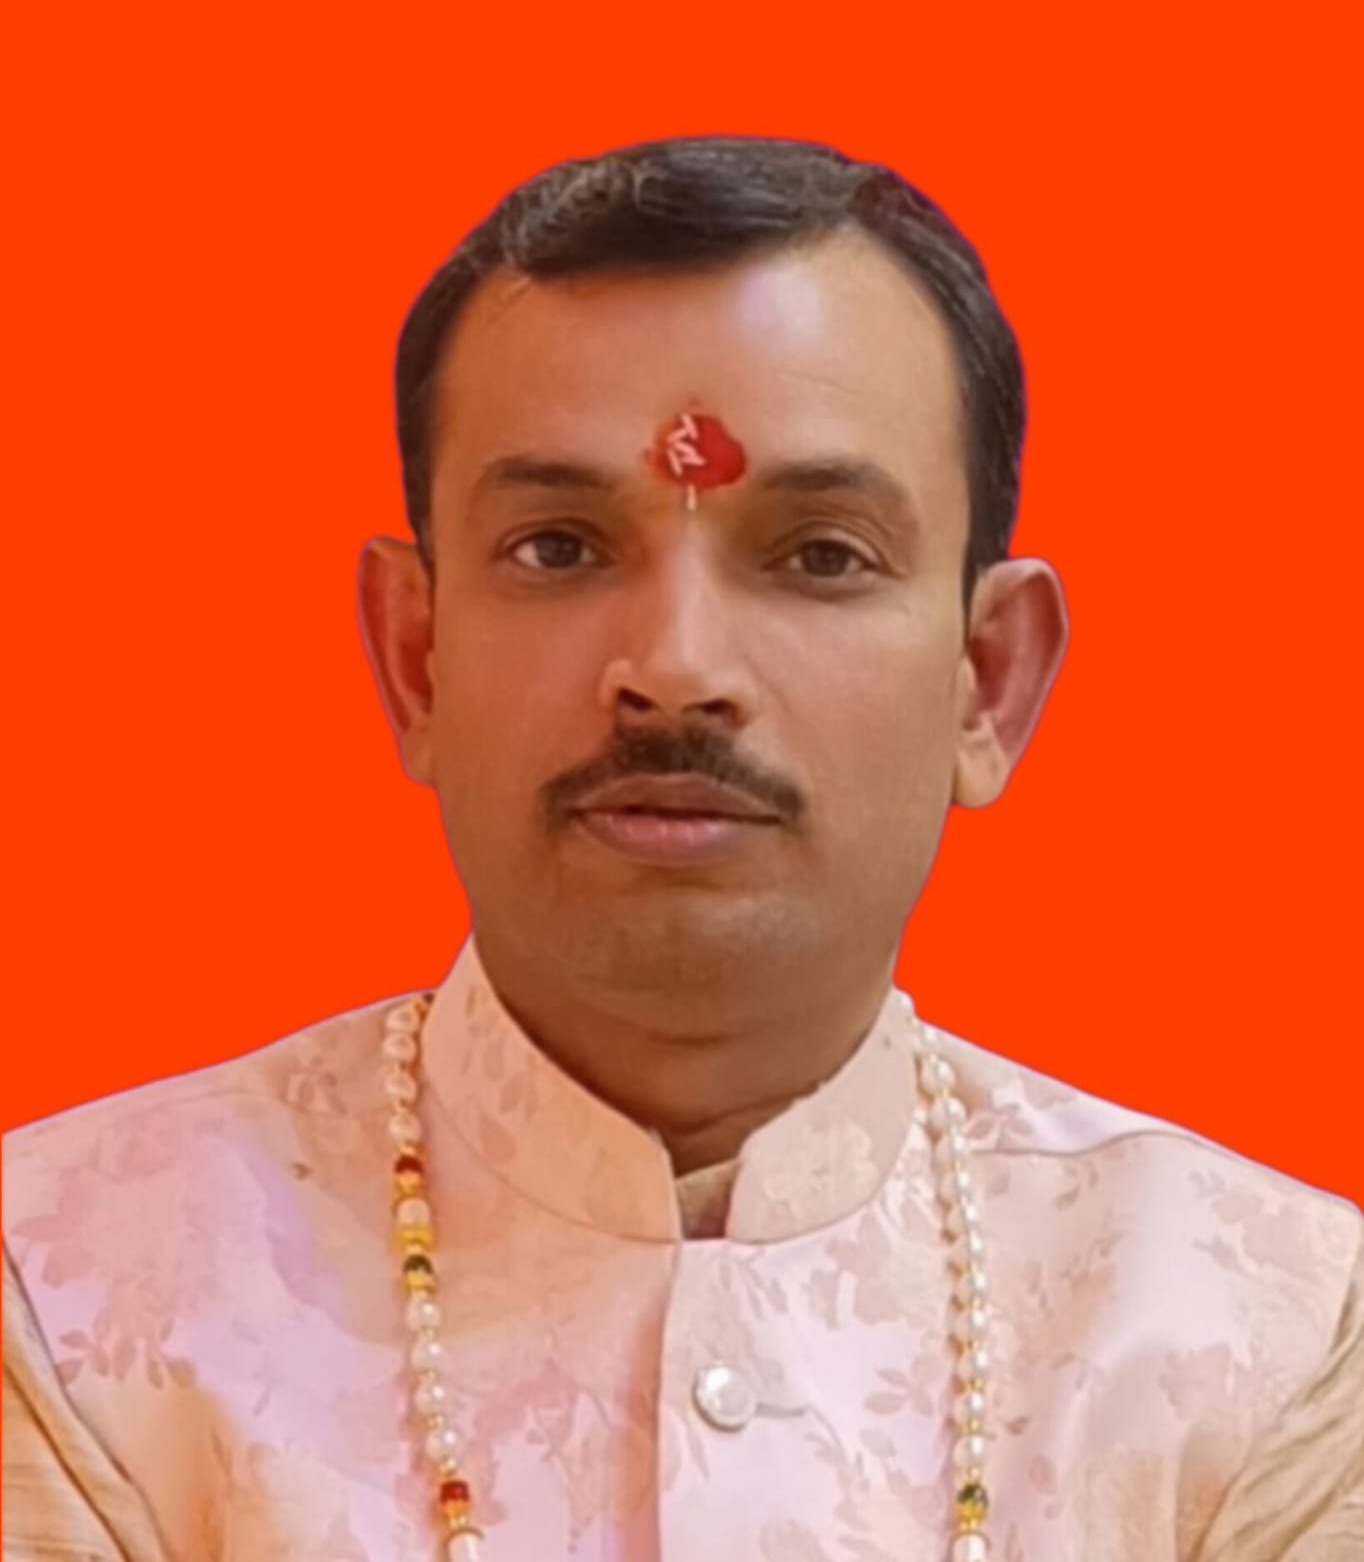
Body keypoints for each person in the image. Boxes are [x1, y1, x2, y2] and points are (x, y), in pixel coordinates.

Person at [3, 134, 1359, 1562]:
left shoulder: (1266, 1338)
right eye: (559, 548)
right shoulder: (70, 1301)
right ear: (415, 658)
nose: (675, 667)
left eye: (821, 554)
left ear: (987, 682)